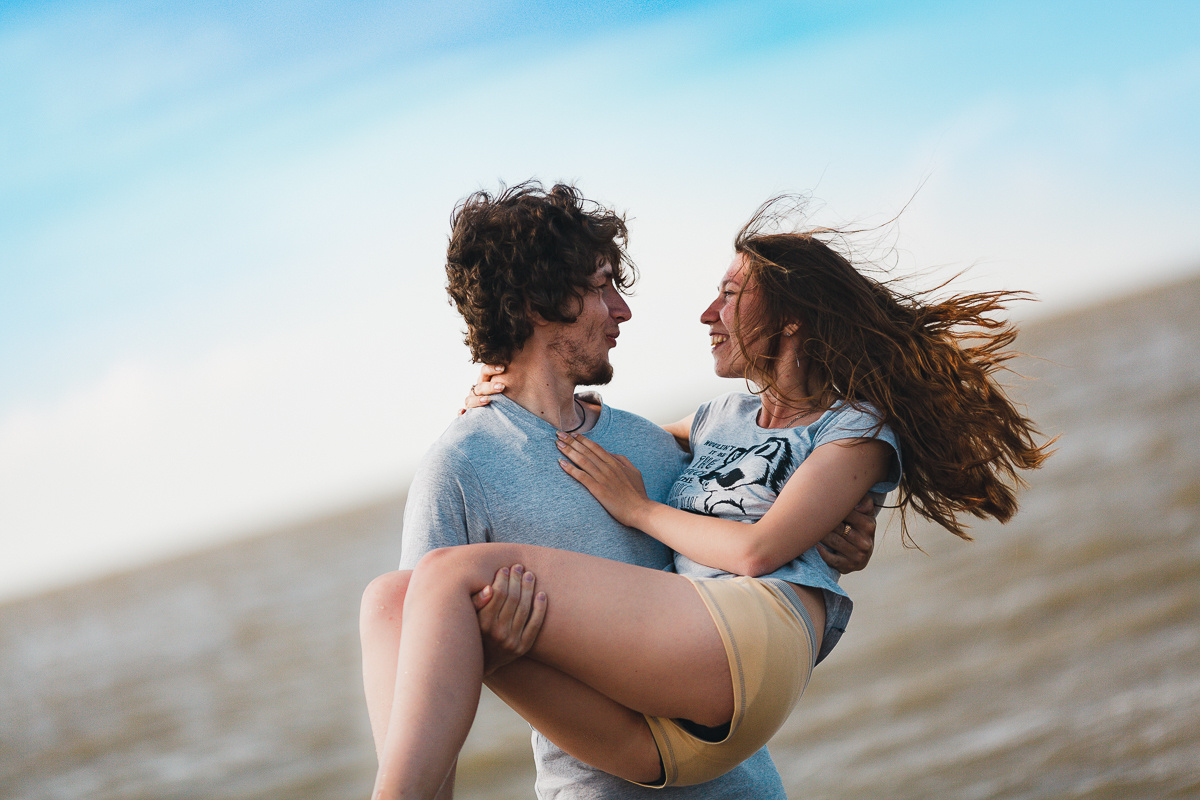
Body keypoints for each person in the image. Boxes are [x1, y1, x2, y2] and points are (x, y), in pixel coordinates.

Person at [363, 182, 1050, 800]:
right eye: (603, 287)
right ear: (538, 302)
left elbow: (746, 538)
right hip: (616, 775)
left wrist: (838, 539)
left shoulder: (647, 448)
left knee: (439, 586)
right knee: (394, 599)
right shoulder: (461, 463)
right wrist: (497, 651)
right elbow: (419, 691)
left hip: (733, 779)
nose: (624, 310)